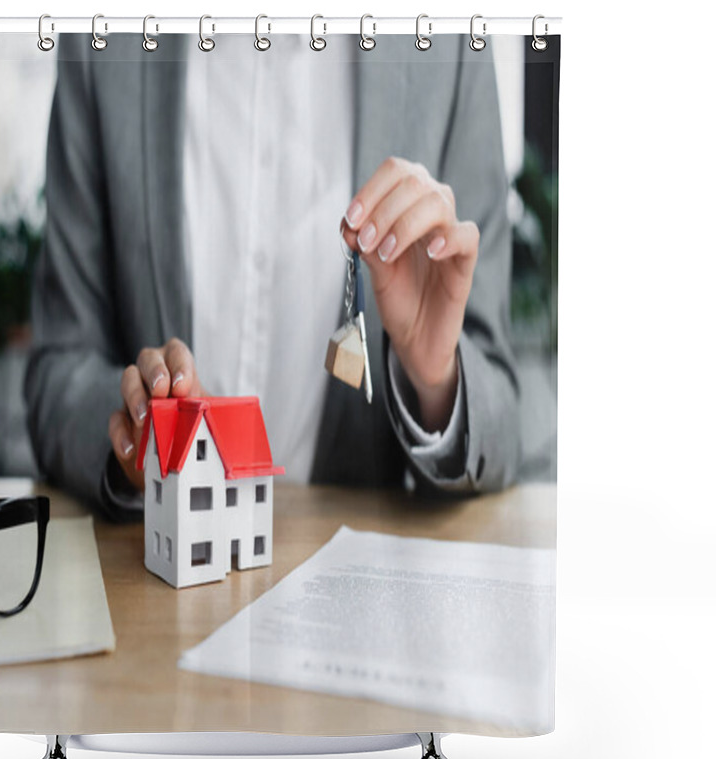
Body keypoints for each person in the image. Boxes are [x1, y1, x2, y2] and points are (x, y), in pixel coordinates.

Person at [25, 33, 519, 519]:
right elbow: (59, 372)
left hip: (355, 581)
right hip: (152, 574)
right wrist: (132, 440)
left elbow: (501, 420)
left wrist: (436, 380)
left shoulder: (450, 44)